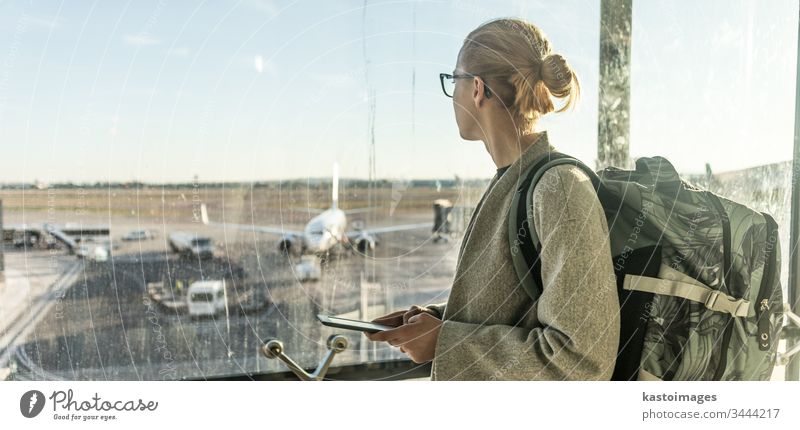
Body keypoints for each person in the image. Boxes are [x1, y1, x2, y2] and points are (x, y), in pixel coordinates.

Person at [364, 17, 620, 380]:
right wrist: (438, 320)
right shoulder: (514, 180)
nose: (451, 94)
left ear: (478, 89)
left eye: (454, 80)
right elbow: (522, 309)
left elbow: (581, 361)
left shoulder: (558, 189)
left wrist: (444, 344)